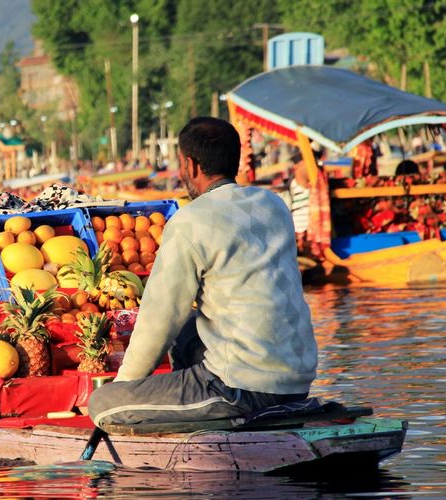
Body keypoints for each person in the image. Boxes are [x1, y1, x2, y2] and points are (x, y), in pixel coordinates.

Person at [88, 117, 317, 427]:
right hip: (296, 382)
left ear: (191, 165)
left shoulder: (190, 221)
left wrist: (125, 387)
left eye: (182, 165)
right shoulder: (273, 205)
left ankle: (211, 417)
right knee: (186, 331)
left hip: (240, 388)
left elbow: (159, 318)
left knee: (102, 404)